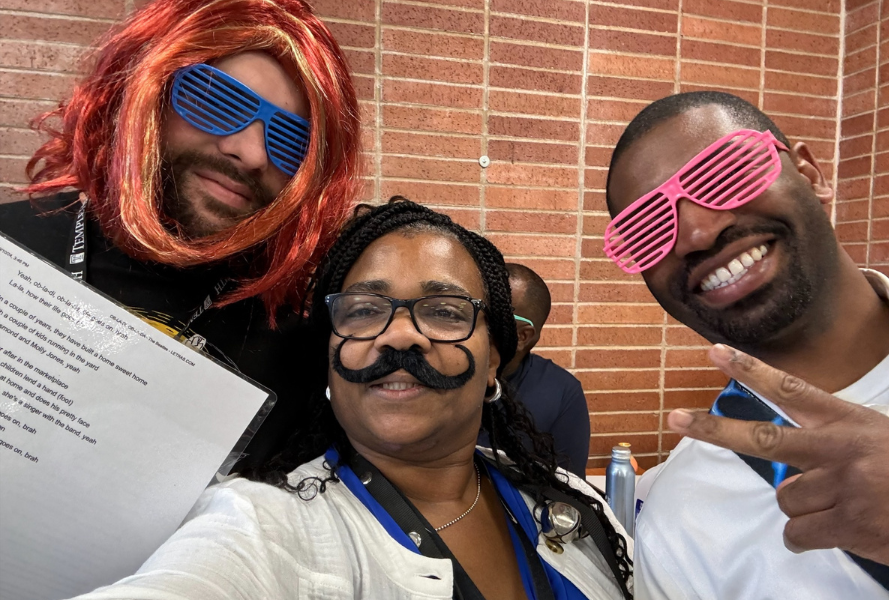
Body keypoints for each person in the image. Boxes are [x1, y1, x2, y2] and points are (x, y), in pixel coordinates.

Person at [69, 198, 634, 600]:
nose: (400, 334)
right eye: (364, 310)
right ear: (331, 360)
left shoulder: (578, 506)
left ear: (493, 363)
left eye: (443, 311)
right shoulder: (263, 527)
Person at [0, 0, 360, 474]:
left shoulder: (294, 352)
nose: (250, 153)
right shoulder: (9, 246)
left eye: (291, 141)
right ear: (147, 92)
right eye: (217, 100)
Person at [604, 90, 889, 598]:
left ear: (809, 175)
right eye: (648, 227)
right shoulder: (684, 527)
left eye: (726, 173)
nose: (695, 231)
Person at [504, 263, 590, 477]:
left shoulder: (562, 393)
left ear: (522, 336)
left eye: (490, 315)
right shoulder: (442, 378)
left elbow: (568, 491)